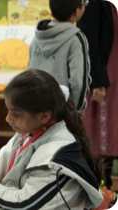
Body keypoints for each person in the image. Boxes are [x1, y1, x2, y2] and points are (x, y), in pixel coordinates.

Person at [0, 70, 104, 209]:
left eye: (16, 113)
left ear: (44, 115)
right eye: (8, 110)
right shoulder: (30, 131)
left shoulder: (55, 157)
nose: (7, 118)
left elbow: (26, 203)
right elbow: (1, 168)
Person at [77, 0, 117, 189]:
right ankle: (102, 188)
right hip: (105, 78)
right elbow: (88, 43)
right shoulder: (94, 4)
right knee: (102, 135)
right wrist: (98, 82)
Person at [28, 0, 91, 110]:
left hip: (35, 106)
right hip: (61, 110)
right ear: (77, 11)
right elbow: (78, 82)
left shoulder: (39, 36)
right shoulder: (76, 39)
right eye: (84, 3)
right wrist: (76, 110)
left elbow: (29, 70)